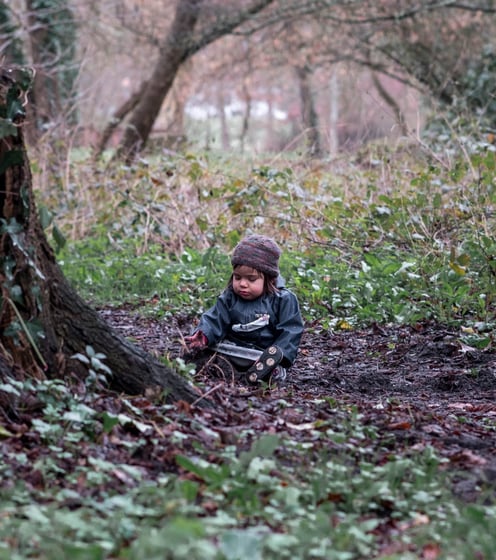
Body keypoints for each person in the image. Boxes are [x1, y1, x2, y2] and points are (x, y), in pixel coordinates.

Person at [184, 234, 304, 385]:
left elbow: (290, 331)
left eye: (251, 279)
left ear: (269, 278)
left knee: (272, 362)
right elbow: (215, 318)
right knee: (211, 351)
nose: (242, 284)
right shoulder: (229, 297)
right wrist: (204, 335)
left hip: (261, 353)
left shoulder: (283, 300)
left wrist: (279, 353)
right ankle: (222, 367)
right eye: (238, 277)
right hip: (232, 350)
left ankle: (268, 371)